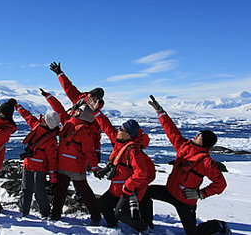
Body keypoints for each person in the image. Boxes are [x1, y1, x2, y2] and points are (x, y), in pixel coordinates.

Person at [142, 95, 228, 235]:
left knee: (192, 233)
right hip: (169, 191)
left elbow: (220, 184)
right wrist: (160, 112)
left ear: (204, 142)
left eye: (200, 135)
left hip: (185, 201)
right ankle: (147, 223)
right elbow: (171, 131)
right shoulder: (184, 146)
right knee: (144, 192)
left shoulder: (205, 162)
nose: (197, 134)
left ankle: (218, 226)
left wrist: (200, 193)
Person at [89, 100, 155, 232]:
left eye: (121, 129)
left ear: (128, 134)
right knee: (103, 204)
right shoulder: (120, 143)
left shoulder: (133, 151)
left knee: (121, 213)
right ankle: (113, 226)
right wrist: (96, 112)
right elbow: (107, 127)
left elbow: (141, 172)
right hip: (116, 188)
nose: (118, 130)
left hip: (126, 190)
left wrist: (128, 187)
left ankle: (143, 228)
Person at [40, 88, 101, 226]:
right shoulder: (85, 131)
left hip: (62, 164)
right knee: (86, 193)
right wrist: (95, 168)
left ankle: (55, 215)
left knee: (60, 192)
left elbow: (59, 109)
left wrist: (49, 96)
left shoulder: (68, 123)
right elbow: (89, 152)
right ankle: (96, 216)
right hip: (77, 167)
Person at [50, 61, 104, 162]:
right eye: (89, 95)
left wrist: (97, 151)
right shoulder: (80, 99)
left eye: (92, 97)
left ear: (97, 100)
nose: (89, 98)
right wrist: (60, 74)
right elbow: (68, 87)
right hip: (67, 135)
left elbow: (96, 136)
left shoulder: (96, 116)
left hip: (79, 145)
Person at [15, 102, 60, 218]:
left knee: (26, 190)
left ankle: (23, 212)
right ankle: (44, 213)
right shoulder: (52, 140)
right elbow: (52, 159)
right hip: (39, 168)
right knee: (40, 192)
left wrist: (18, 107)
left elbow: (27, 116)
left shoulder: (36, 126)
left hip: (29, 164)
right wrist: (53, 176)